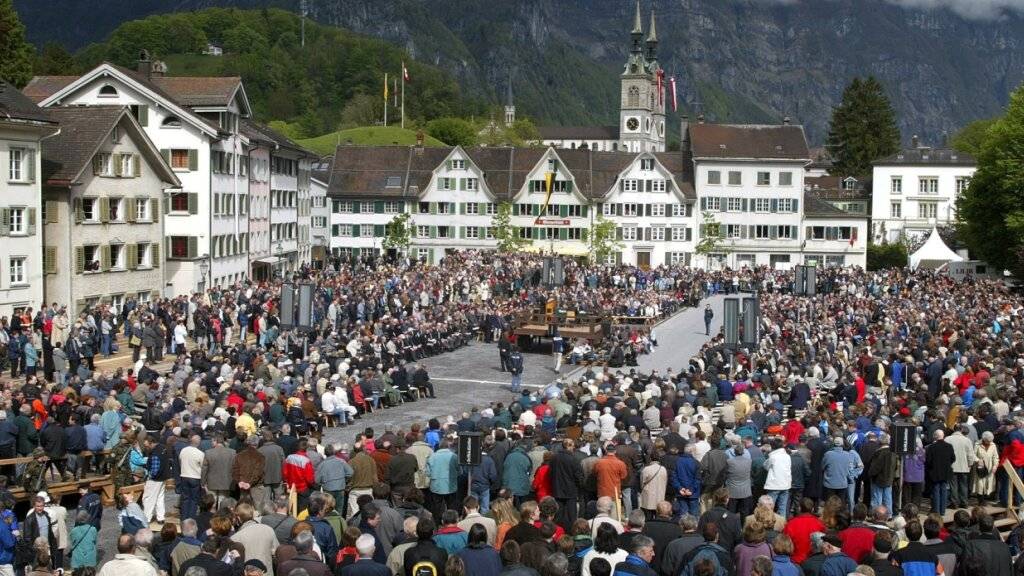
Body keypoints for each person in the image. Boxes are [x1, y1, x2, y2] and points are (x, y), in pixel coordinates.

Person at [924, 430, 955, 516]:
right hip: (945, 471)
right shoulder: (949, 446)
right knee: (944, 490)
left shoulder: (931, 447)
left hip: (935, 472)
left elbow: (928, 461)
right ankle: (942, 511)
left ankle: (936, 511)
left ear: (935, 436)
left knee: (936, 491)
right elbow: (953, 458)